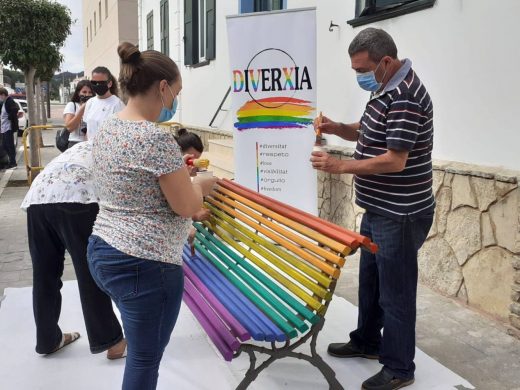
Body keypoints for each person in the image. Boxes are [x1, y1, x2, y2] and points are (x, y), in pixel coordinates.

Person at [310, 28, 434, 390]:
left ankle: (399, 368)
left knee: (396, 293)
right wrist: (337, 127)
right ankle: (367, 341)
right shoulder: (384, 88)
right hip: (379, 209)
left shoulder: (406, 95)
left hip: (402, 213)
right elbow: (365, 131)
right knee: (371, 282)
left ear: (385, 61)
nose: (359, 77)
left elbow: (395, 160)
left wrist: (340, 166)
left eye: (361, 69)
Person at [87, 42, 217, 390]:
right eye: (177, 91)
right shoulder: (155, 140)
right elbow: (187, 207)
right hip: (145, 264)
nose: (176, 99)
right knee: (144, 361)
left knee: (141, 348)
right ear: (163, 88)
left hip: (103, 249)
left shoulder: (108, 129)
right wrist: (202, 184)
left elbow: (138, 189)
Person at [21, 141, 127, 358]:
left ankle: (48, 340)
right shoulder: (130, 146)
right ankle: (111, 342)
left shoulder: (93, 144)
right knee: (90, 269)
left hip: (38, 198)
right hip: (77, 198)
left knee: (45, 274)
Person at [83, 66, 125, 140]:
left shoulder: (117, 104)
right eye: (94, 82)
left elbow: (121, 132)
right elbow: (88, 130)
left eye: (101, 83)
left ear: (110, 84)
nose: (97, 85)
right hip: (90, 148)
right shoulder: (90, 102)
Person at [63, 80, 94, 149]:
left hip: (91, 143)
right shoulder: (72, 105)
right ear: (78, 92)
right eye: (84, 92)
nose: (87, 95)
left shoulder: (94, 106)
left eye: (90, 92)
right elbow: (69, 128)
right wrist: (82, 109)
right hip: (75, 143)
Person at [0, 87, 21, 168]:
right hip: (4, 128)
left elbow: (15, 109)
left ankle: (13, 162)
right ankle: (10, 161)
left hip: (8, 127)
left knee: (10, 145)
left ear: (3, 95)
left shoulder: (9, 101)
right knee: (5, 145)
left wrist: (10, 118)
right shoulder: (5, 102)